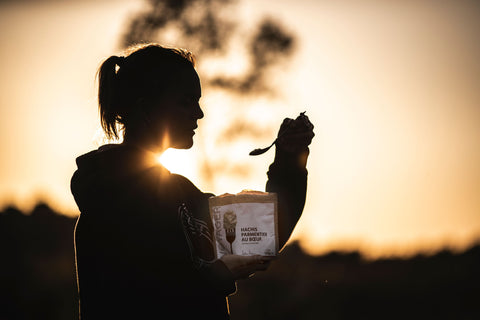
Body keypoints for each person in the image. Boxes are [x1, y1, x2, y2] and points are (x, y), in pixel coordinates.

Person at [71, 43, 314, 320]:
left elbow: (267, 229)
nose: (198, 113)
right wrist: (218, 274)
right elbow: (138, 296)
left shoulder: (184, 197)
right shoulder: (107, 200)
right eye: (186, 101)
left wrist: (290, 160)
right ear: (146, 108)